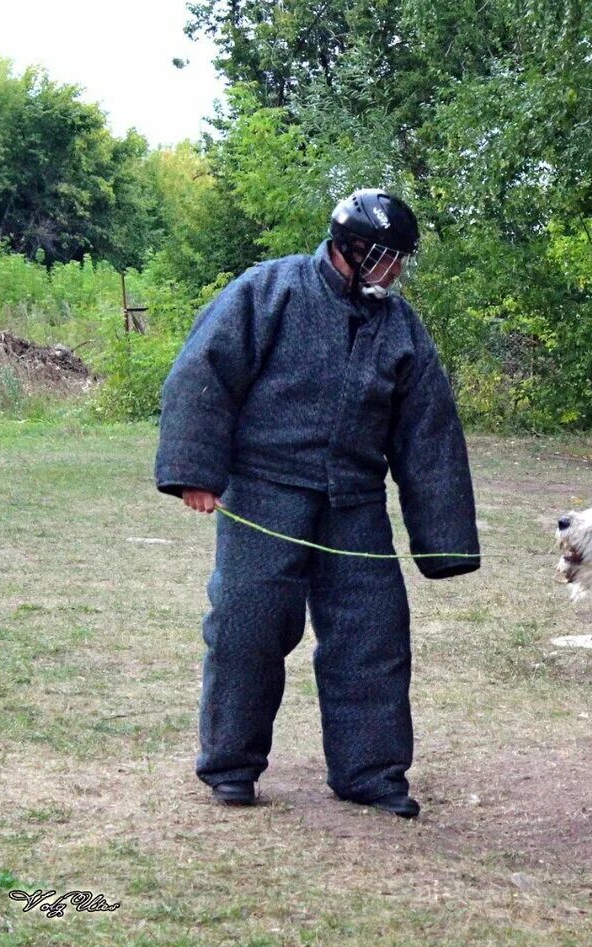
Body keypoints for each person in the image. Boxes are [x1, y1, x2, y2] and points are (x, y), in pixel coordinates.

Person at [154, 189, 480, 818]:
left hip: (354, 503)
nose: (396, 272)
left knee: (373, 635)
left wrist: (444, 541)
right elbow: (203, 372)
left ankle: (370, 773)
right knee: (248, 626)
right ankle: (231, 766)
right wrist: (196, 473)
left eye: (400, 261)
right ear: (350, 249)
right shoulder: (267, 291)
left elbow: (429, 431)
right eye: (387, 258)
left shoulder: (402, 328)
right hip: (266, 492)